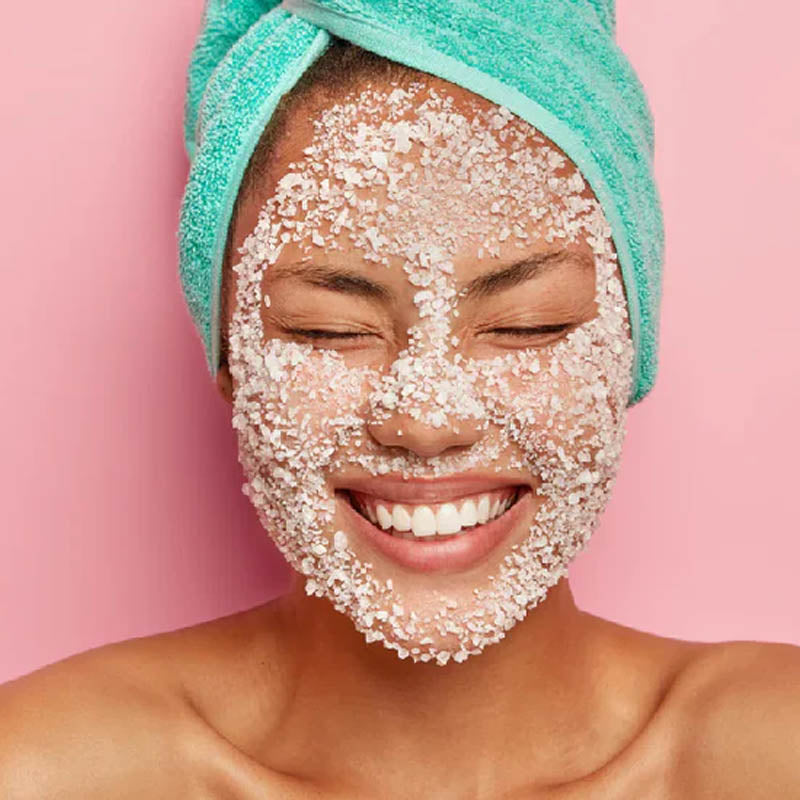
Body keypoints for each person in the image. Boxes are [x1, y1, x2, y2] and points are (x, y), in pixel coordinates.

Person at [2, 7, 800, 800]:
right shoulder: (41, 770)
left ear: (628, 348)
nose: (427, 420)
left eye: (529, 325)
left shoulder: (771, 753)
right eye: (330, 329)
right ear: (232, 358)